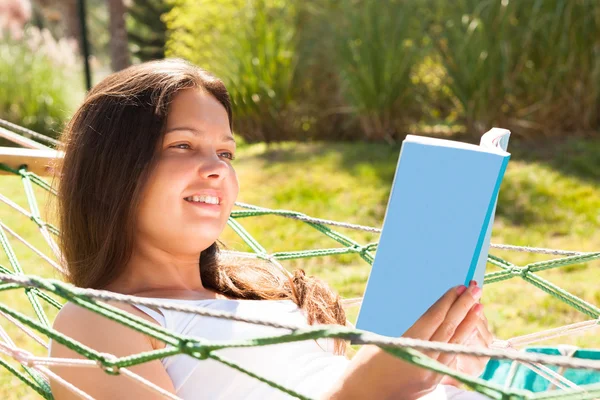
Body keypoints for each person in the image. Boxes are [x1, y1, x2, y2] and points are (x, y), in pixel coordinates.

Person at [48, 58, 494, 400]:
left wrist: (452, 369)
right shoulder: (95, 323)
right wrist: (362, 392)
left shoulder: (266, 293)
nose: (216, 169)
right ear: (110, 172)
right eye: (182, 145)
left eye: (225, 153)